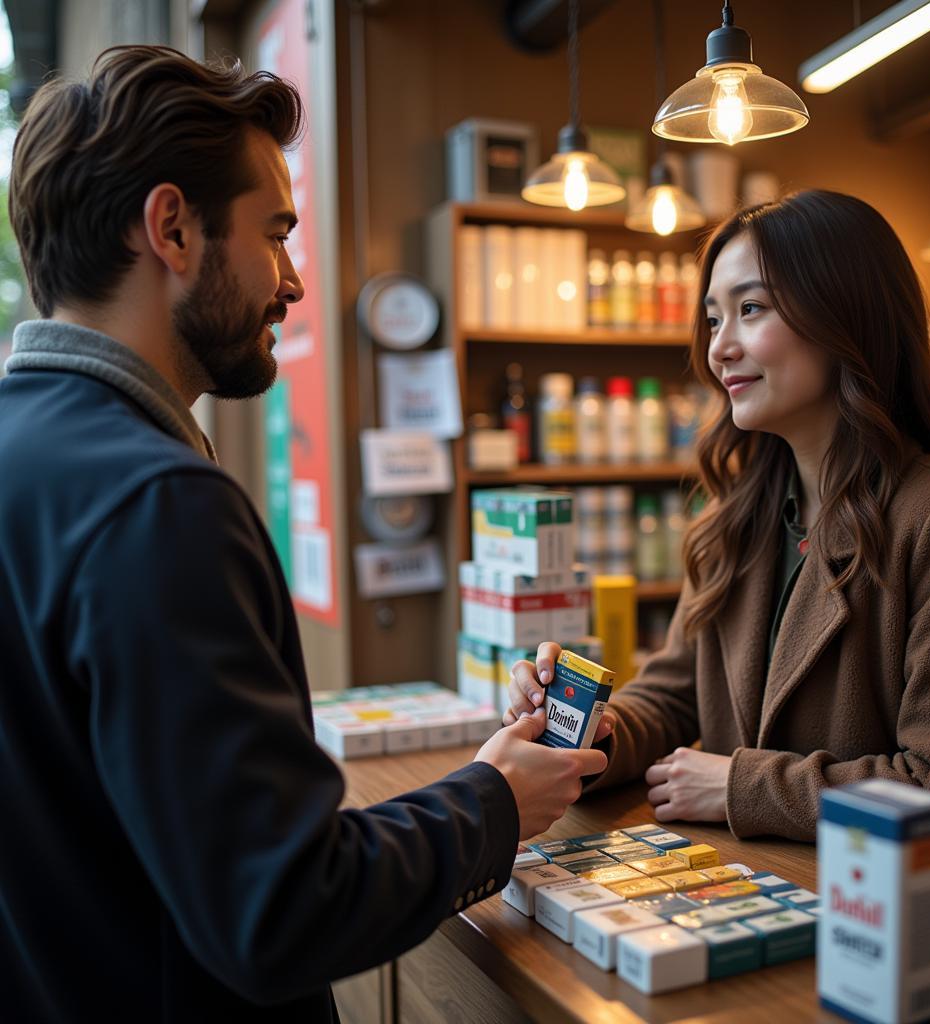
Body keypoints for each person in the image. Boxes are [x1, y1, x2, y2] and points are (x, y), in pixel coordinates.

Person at [0, 46, 606, 1023]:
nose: (289, 281)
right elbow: (279, 910)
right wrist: (489, 801)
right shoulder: (157, 500)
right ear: (172, 229)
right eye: (275, 234)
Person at [506, 189, 930, 843]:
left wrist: (739, 787)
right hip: (730, 888)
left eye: (750, 309)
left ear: (848, 315)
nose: (720, 348)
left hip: (862, 907)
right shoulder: (739, 514)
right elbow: (671, 699)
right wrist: (582, 729)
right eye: (714, 319)